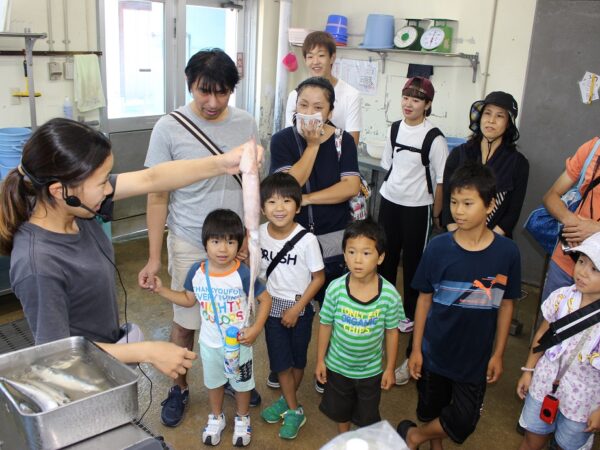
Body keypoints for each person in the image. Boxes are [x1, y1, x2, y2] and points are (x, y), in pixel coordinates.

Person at [0, 118, 260, 380]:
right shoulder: (38, 264)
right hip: (81, 379)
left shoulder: (74, 209)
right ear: (60, 190)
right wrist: (146, 351)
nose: (110, 189)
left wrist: (222, 163)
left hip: (106, 358)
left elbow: (152, 178)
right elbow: (55, 356)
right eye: (102, 182)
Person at [138, 48, 261, 427]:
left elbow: (253, 185)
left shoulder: (246, 123)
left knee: (235, 314)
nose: (212, 102)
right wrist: (155, 257)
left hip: (236, 241)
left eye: (222, 93)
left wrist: (247, 240)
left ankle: (235, 376)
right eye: (203, 91)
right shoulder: (169, 127)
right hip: (191, 239)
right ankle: (179, 387)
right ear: (190, 84)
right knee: (189, 318)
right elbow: (157, 194)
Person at [397, 162, 521, 450]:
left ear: (490, 205)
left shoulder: (507, 253)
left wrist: (499, 353)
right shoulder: (438, 247)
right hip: (435, 352)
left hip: (474, 358)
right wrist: (416, 349)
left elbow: (506, 306)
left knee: (464, 420)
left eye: (468, 203)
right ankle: (432, 443)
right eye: (454, 202)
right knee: (430, 409)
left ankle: (415, 436)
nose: (458, 210)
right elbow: (424, 300)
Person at [147, 209, 272, 447]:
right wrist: (161, 290)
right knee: (214, 383)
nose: (223, 249)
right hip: (210, 343)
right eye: (216, 241)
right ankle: (216, 417)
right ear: (205, 243)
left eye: (230, 242)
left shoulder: (242, 273)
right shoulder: (197, 272)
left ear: (239, 245)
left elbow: (265, 299)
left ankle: (243, 418)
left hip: (240, 344)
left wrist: (255, 329)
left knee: (242, 384)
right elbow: (187, 299)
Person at [270, 76, 361, 393]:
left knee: (332, 306)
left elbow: (349, 187)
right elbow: (286, 187)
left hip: (332, 238)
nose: (309, 112)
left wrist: (306, 199)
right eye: (303, 105)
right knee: (288, 303)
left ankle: (328, 367)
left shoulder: (342, 142)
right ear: (295, 106)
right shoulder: (282, 140)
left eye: (318, 107)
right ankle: (282, 364)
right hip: (290, 239)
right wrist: (311, 146)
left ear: (331, 111)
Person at [377, 77, 448, 385]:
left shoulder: (435, 137)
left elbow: (441, 179)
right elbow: (387, 165)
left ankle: (408, 316)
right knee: (386, 258)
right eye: (406, 97)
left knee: (415, 264)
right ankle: (383, 309)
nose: (409, 103)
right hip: (389, 201)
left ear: (427, 104)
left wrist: (436, 214)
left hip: (418, 208)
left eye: (416, 99)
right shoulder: (394, 129)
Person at [316, 219, 402, 433]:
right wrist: (320, 361)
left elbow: (392, 332)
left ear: (380, 257)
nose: (357, 260)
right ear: (344, 255)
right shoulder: (335, 289)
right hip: (337, 366)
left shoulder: (389, 295)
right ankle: (344, 439)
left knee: (367, 417)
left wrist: (390, 367)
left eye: (366, 253)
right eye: (351, 252)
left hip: (370, 370)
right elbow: (325, 325)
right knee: (340, 411)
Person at [516, 232, 600, 450]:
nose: (582, 272)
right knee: (531, 440)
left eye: (594, 269)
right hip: (544, 384)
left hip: (583, 403)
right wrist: (528, 370)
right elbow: (542, 336)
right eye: (581, 261)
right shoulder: (562, 297)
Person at [258, 173, 325, 440]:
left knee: (298, 360)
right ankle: (296, 409)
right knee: (281, 362)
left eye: (287, 201)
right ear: (262, 208)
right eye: (272, 202)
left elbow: (318, 278)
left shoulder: (307, 240)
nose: (279, 207)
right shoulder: (259, 234)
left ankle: (288, 401)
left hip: (301, 307)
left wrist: (298, 309)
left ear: (298, 206)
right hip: (271, 307)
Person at [442, 91, 529, 237]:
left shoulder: (518, 163)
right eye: (487, 113)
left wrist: (487, 242)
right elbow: (447, 199)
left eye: (499, 116)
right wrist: (458, 236)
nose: (491, 120)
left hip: (495, 240)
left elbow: (513, 212)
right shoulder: (459, 154)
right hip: (456, 236)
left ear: (508, 123)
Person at [539, 137, 600, 304]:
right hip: (567, 259)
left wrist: (596, 229)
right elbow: (551, 196)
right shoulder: (593, 148)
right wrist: (572, 221)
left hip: (597, 277)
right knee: (550, 322)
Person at [284, 31, 362, 146]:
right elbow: (289, 139)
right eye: (310, 56)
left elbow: (352, 144)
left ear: (332, 58)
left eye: (321, 55)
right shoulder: (295, 95)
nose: (315, 62)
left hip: (335, 160)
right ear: (305, 60)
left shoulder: (351, 95)